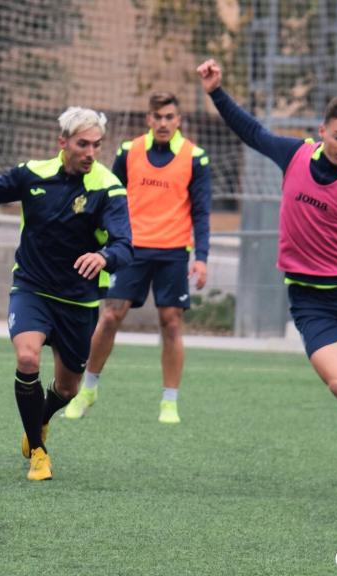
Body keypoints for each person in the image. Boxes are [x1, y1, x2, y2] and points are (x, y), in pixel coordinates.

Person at [197, 59, 337, 491]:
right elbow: (253, 132)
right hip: (310, 300)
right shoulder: (295, 155)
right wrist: (216, 92)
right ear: (323, 132)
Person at [0, 107, 132, 481]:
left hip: (79, 301)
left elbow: (124, 245)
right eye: (82, 144)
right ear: (62, 142)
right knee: (27, 358)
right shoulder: (32, 174)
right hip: (32, 288)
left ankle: (42, 418)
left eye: (96, 145)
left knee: (67, 388)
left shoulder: (108, 188)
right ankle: (38, 450)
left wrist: (103, 256)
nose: (90, 152)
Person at [66, 91, 212, 424]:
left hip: (174, 250)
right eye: (157, 117)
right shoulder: (128, 152)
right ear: (148, 119)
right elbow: (109, 195)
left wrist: (201, 257)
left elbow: (202, 212)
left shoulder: (195, 157)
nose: (163, 123)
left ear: (179, 120)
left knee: (171, 322)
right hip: (130, 248)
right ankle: (87, 388)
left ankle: (169, 401)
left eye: (169, 117)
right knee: (110, 316)